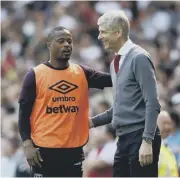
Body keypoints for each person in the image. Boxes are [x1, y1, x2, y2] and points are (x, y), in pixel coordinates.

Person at [18, 26, 112, 177]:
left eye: (70, 41)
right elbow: (23, 114)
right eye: (61, 41)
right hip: (43, 153)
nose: (67, 45)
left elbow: (112, 79)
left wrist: (131, 62)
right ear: (49, 44)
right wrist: (27, 144)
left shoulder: (81, 72)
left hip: (73, 152)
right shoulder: (35, 75)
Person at [89, 10, 161, 177]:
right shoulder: (116, 62)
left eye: (103, 32)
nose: (100, 37)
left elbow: (152, 102)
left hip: (140, 136)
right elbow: (121, 108)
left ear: (118, 32)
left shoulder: (139, 58)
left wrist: (147, 140)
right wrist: (92, 122)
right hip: (123, 139)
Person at [157, 111, 179, 177]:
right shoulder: (150, 148)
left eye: (169, 123)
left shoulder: (167, 147)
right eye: (164, 123)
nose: (167, 127)